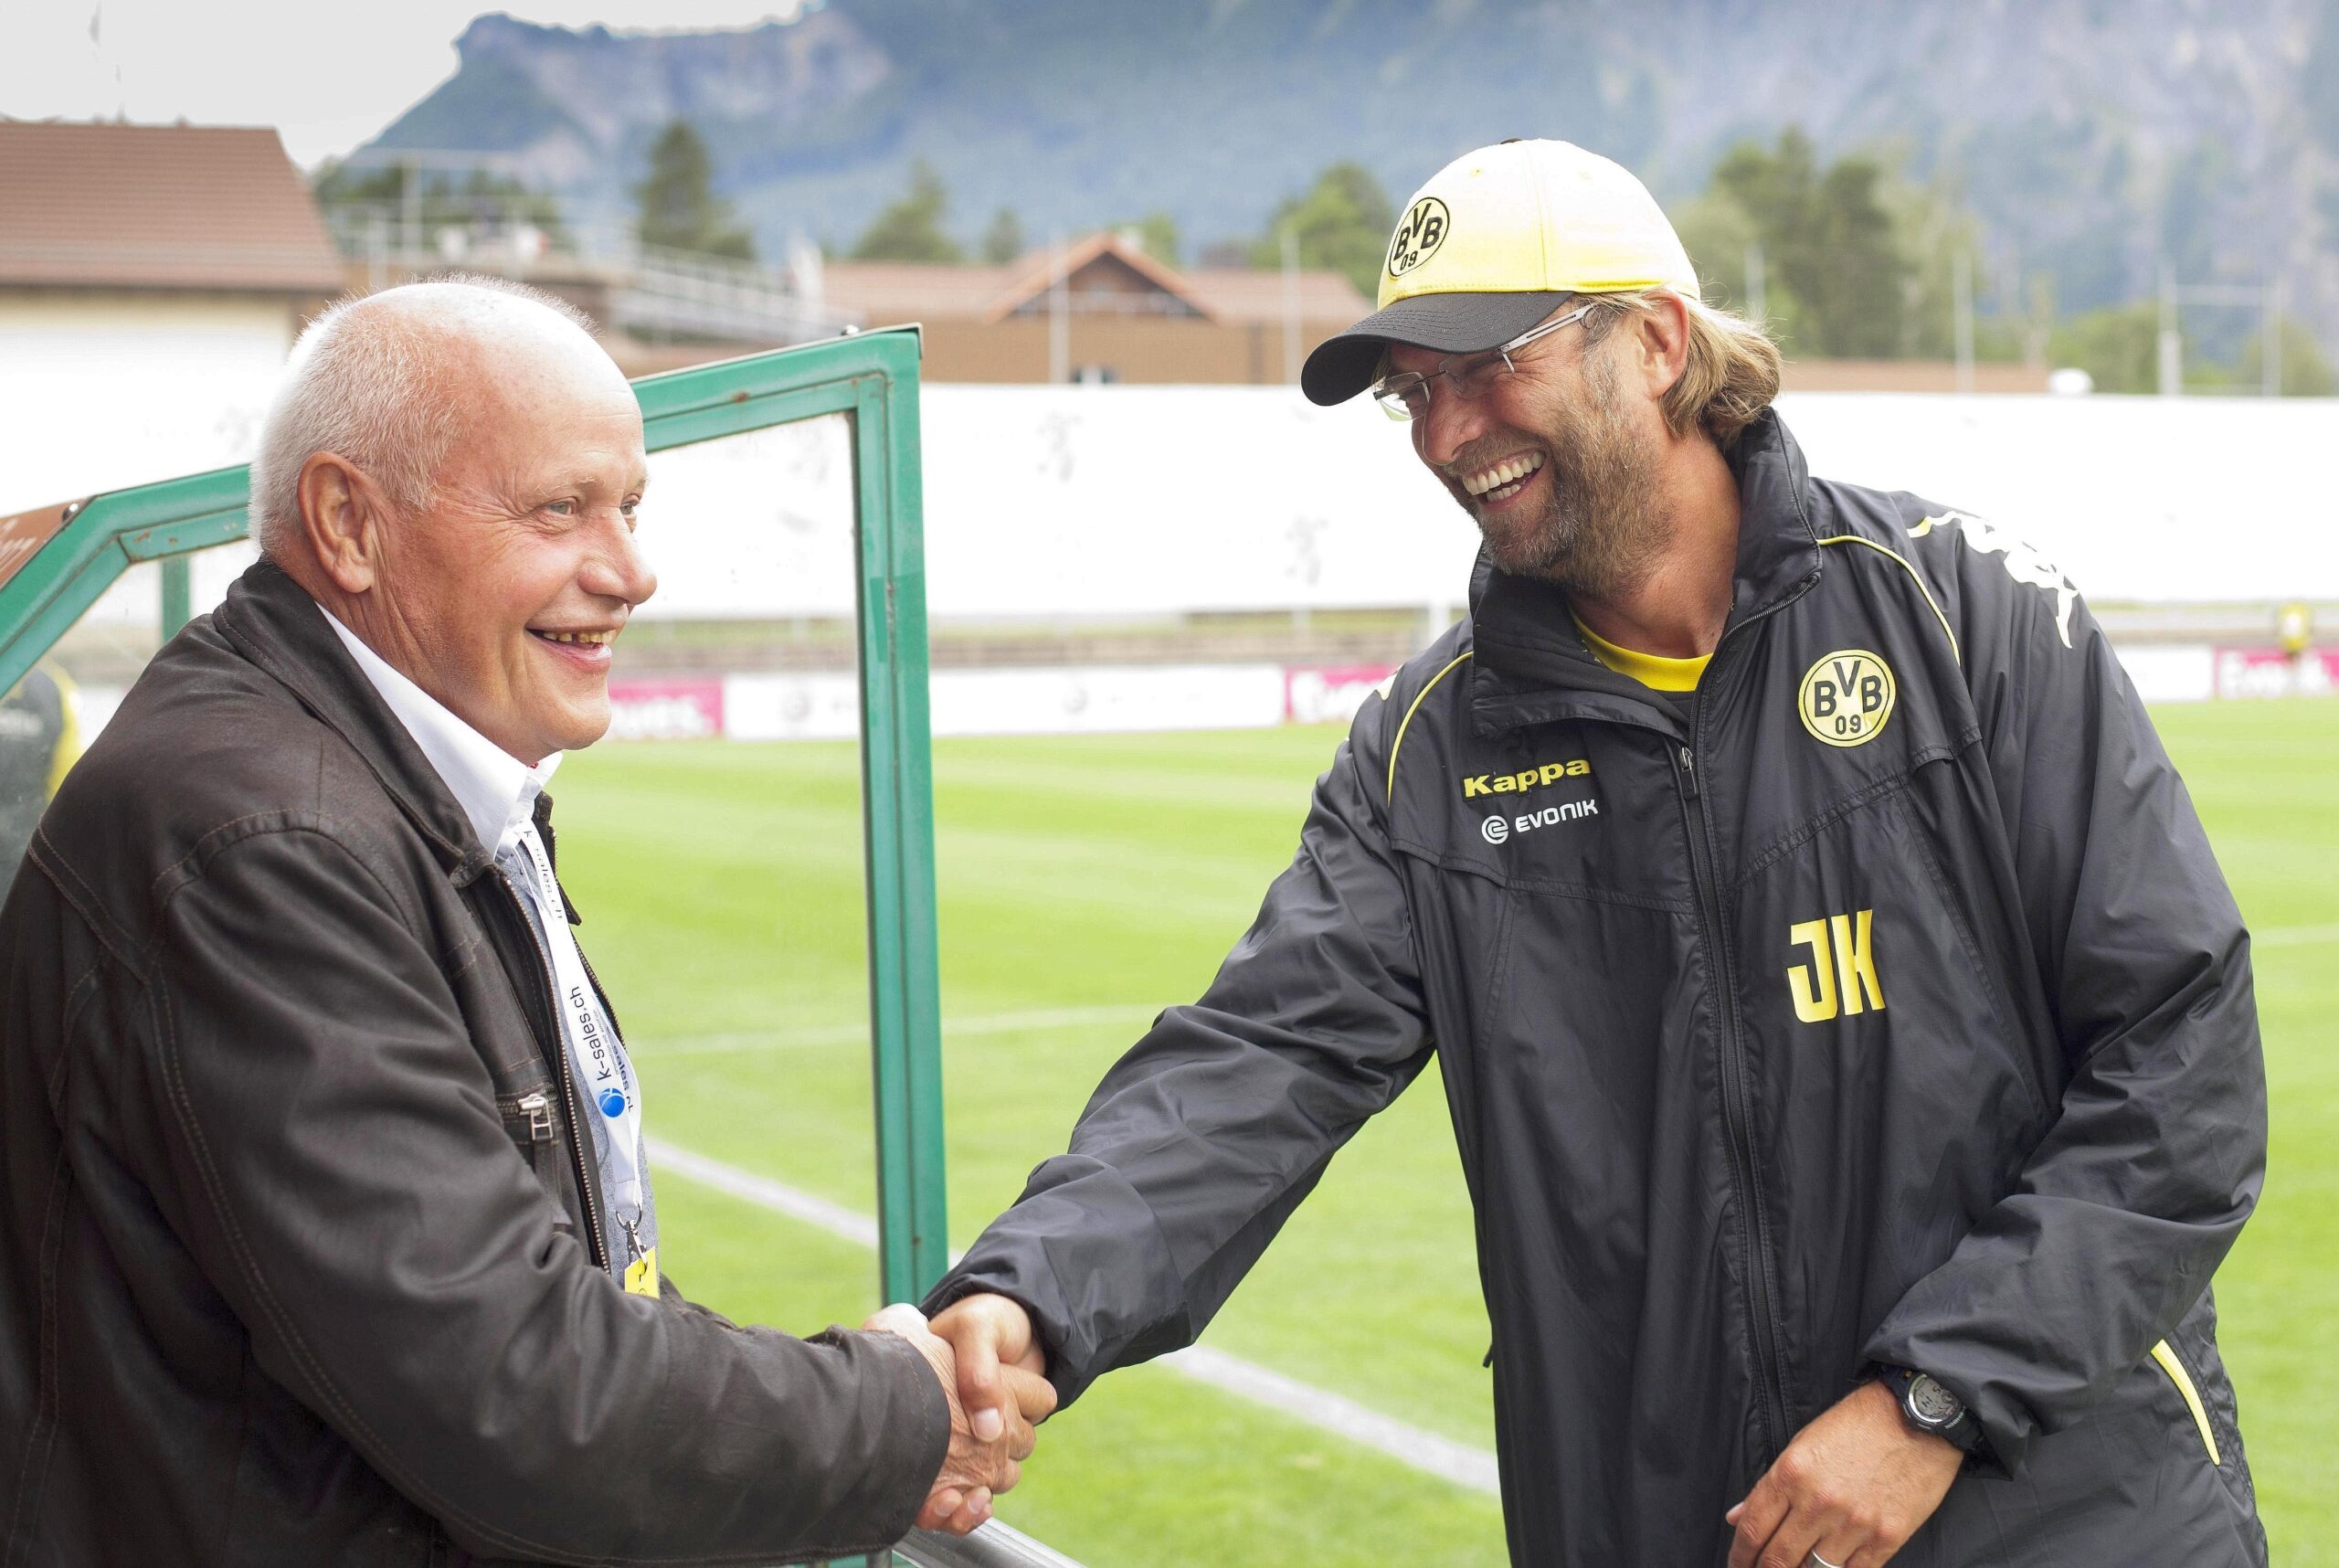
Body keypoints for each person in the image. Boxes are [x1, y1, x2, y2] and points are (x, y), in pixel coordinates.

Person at [923, 141, 2269, 1567]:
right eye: (1414, 394)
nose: (1447, 434)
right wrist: (1030, 1296)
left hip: (2070, 1519)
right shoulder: (1429, 758)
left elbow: (2184, 1059)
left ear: (1657, 341)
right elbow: (1256, 1064)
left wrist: (1934, 1399)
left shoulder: (1957, 618)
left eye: (1486, 363)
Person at [0, 277, 1050, 1564]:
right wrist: (896, 1409)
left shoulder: (376, 778)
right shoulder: (261, 840)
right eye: (559, 509)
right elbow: (517, 1390)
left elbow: (544, 1289)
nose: (630, 572)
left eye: (632, 508)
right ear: (348, 523)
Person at [0, 660, 81, 896]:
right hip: (27, 841)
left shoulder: (53, 685)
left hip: (24, 840)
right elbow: (67, 774)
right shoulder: (52, 685)